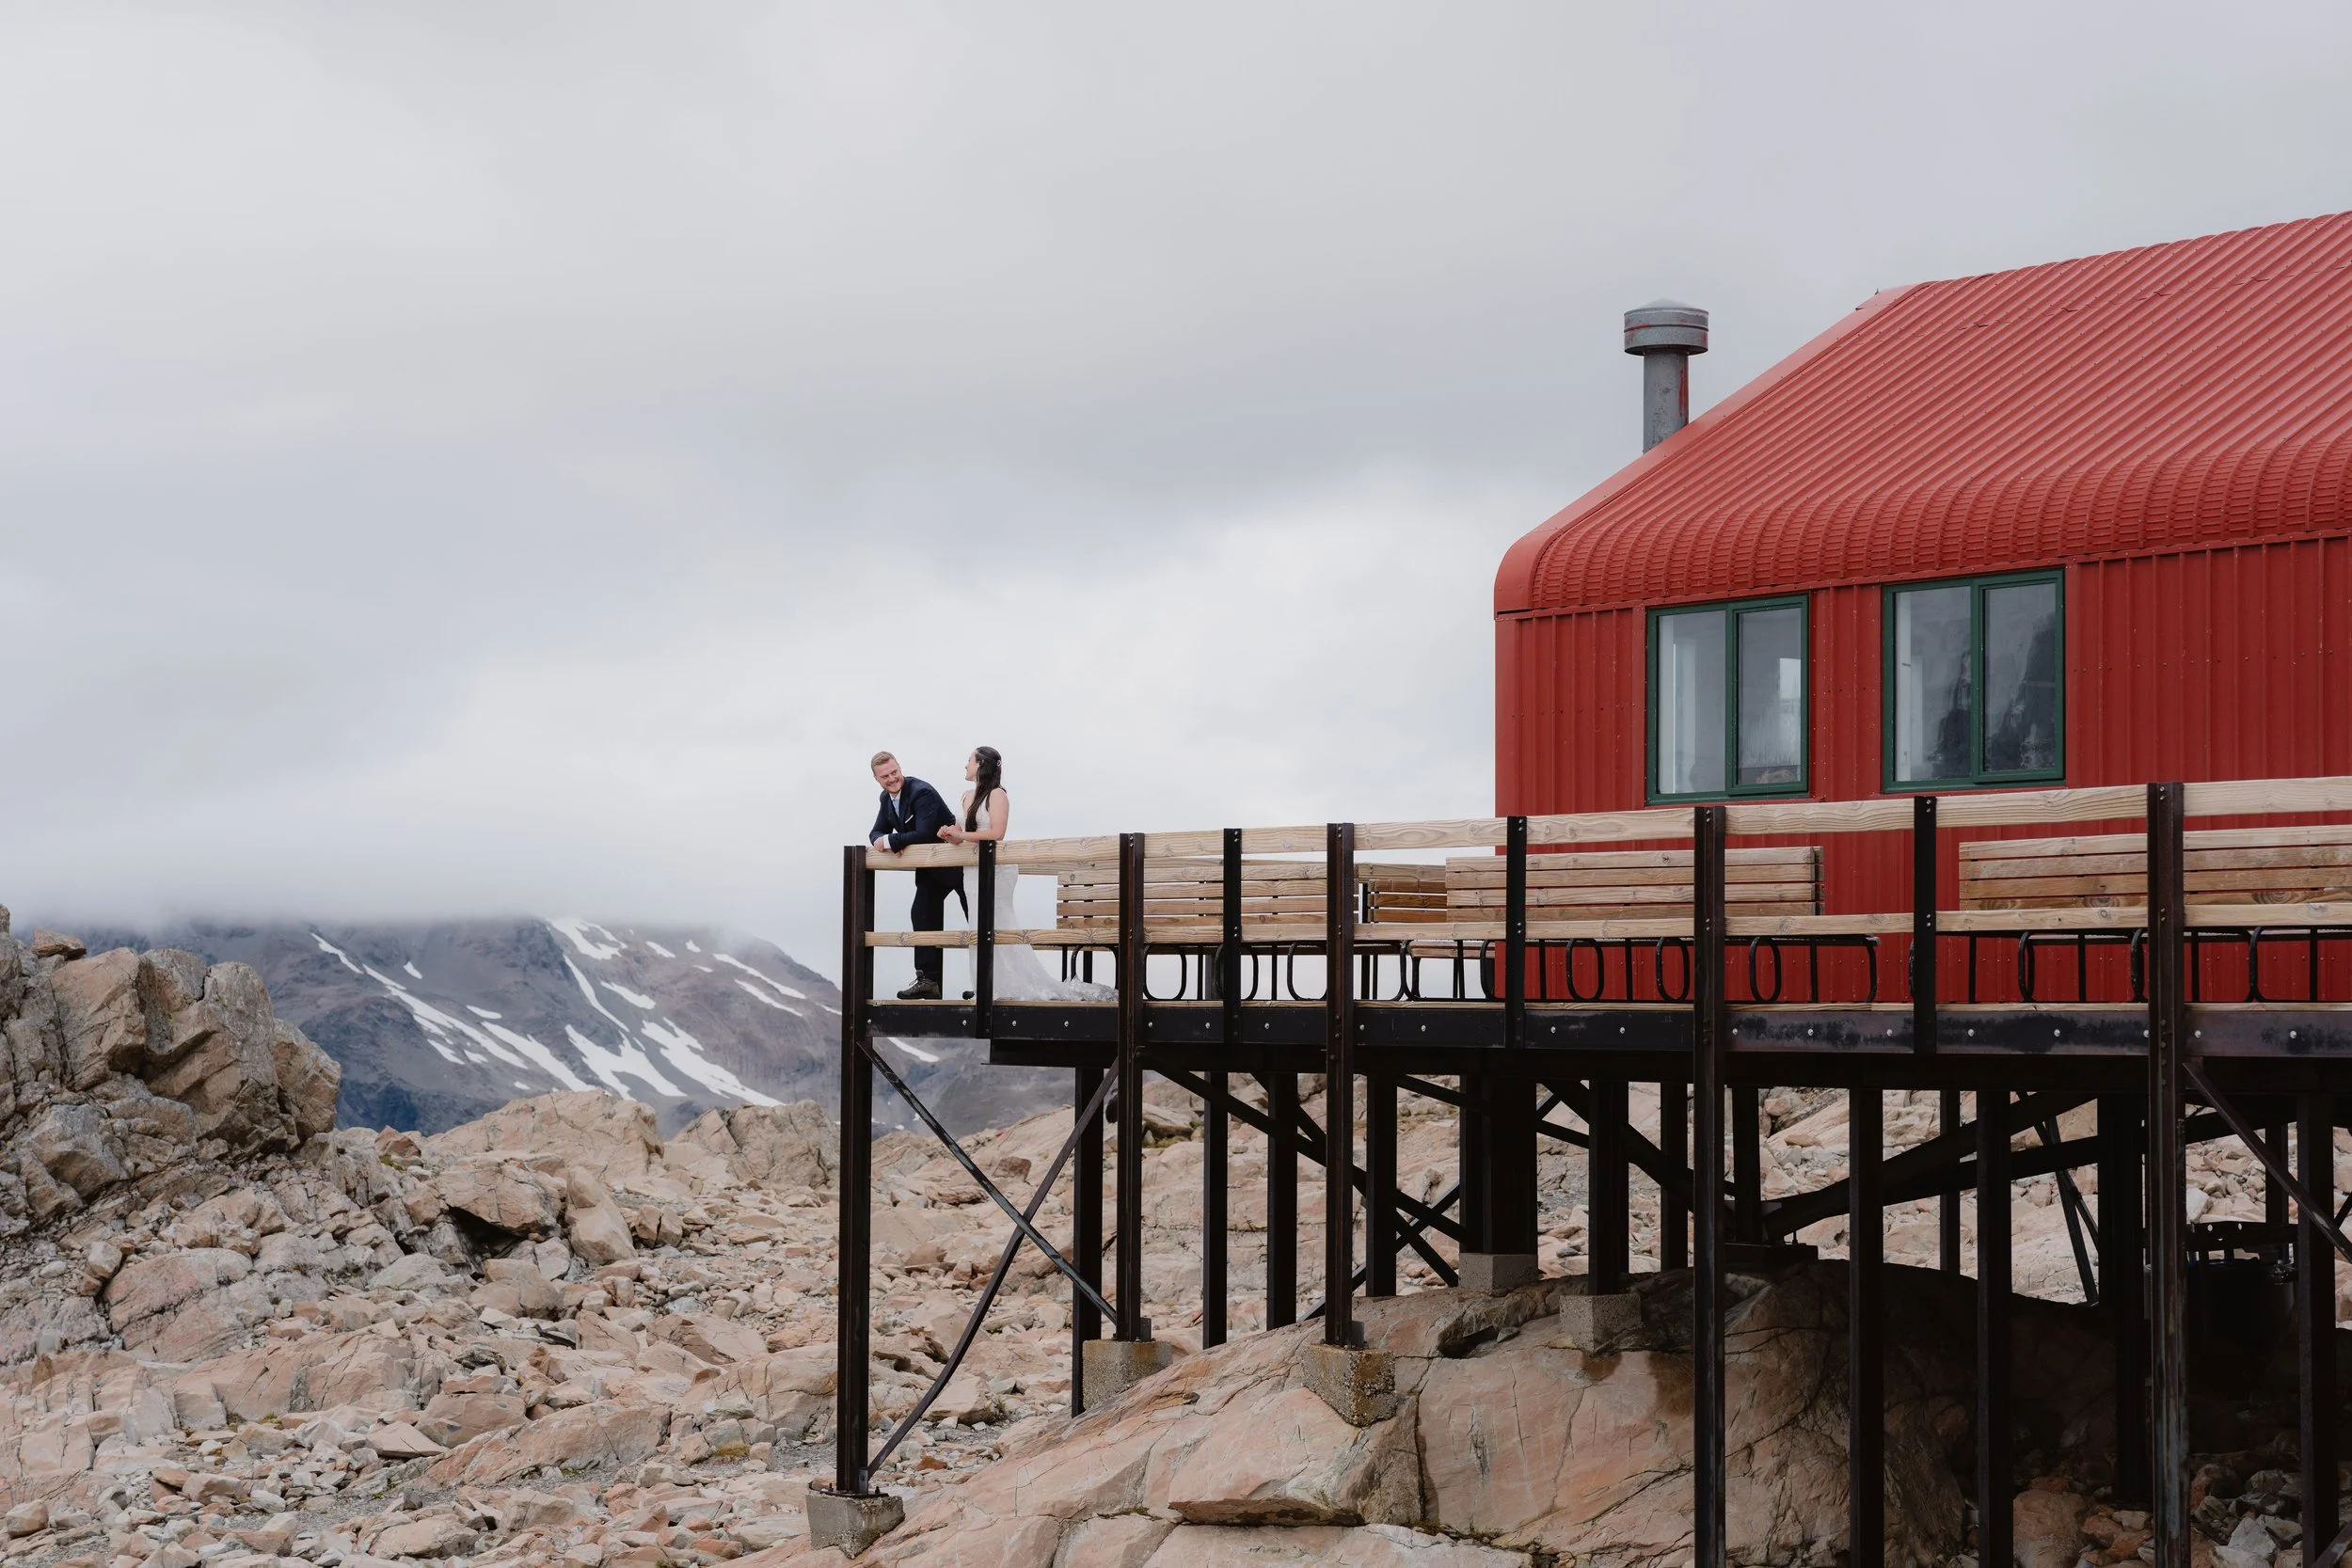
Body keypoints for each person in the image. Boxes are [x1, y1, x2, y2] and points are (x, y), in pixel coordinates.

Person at [939, 746, 1110, 1002]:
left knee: (999, 921)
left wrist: (962, 835)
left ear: (981, 764)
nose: (965, 765)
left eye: (969, 760)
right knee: (976, 922)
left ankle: (1009, 984)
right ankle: (987, 984)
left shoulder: (997, 795)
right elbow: (965, 834)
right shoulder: (965, 796)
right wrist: (950, 835)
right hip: (972, 870)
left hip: (997, 869)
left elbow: (997, 833)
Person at [867, 751, 962, 1000]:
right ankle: (928, 980)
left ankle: (992, 982)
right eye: (885, 776)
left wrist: (893, 842)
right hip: (931, 869)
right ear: (877, 779)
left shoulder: (921, 793)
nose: (892, 779)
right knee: (920, 913)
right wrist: (885, 841)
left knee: (977, 919)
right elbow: (876, 832)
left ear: (900, 768)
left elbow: (922, 833)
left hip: (960, 864)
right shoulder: (886, 799)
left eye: (894, 772)